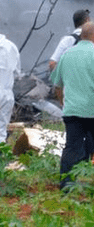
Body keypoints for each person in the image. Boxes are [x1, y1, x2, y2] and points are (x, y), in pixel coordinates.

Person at [50, 22, 94, 190]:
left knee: (71, 147)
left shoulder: (67, 54)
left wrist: (63, 103)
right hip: (92, 110)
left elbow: (57, 85)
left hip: (72, 111)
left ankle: (66, 185)